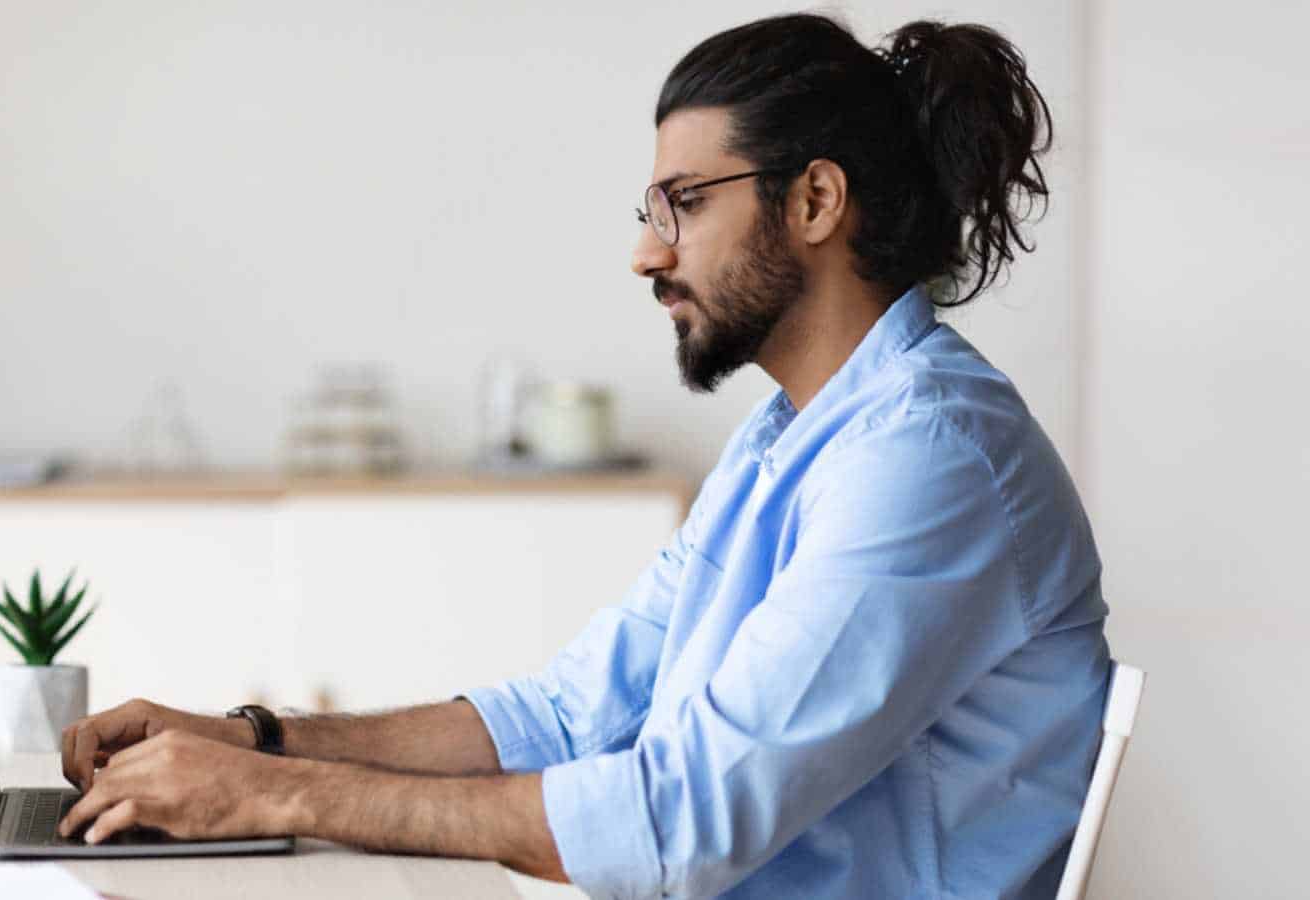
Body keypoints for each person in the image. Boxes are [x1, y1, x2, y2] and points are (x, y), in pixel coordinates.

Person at [56, 13, 1110, 899]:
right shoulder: (790, 436)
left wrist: (274, 799)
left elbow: (678, 823)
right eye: (651, 211)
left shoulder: (928, 457)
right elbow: (569, 714)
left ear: (815, 202)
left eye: (685, 205)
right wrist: (257, 741)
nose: (648, 253)